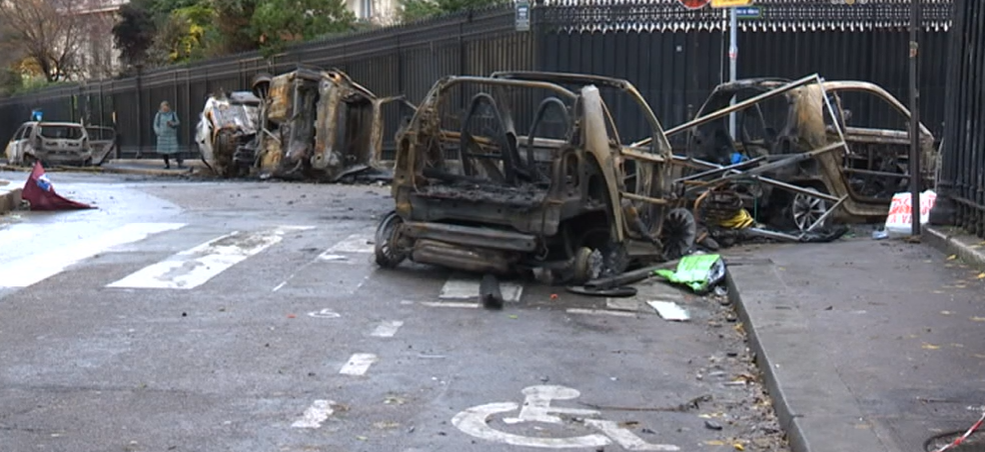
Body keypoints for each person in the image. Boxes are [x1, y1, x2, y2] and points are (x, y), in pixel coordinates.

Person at [153, 101, 182, 169]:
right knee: (164, 151)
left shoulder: (173, 114)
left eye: (166, 107)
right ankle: (166, 164)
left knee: (175, 149)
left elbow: (178, 122)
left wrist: (172, 123)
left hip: (171, 135)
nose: (165, 109)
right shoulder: (159, 115)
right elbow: (155, 124)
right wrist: (158, 132)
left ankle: (179, 162)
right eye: (163, 108)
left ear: (168, 107)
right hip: (162, 136)